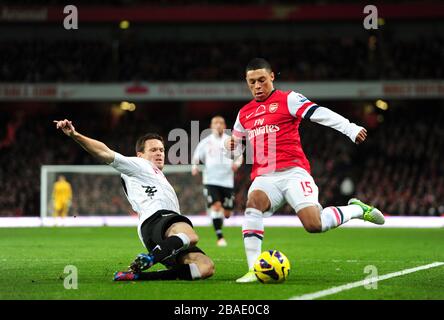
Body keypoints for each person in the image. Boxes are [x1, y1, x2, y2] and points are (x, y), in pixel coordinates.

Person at [224, 58, 385, 283]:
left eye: (262, 80)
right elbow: (236, 151)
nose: (257, 86)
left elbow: (320, 113)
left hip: (293, 173)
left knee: (314, 225)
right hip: (264, 176)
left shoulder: (288, 99)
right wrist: (231, 148)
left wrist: (350, 128)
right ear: (247, 82)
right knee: (253, 204)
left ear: (272, 77)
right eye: (252, 82)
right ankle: (254, 269)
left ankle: (357, 210)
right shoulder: (244, 114)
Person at [54, 119, 214, 281]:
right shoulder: (139, 165)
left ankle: (138, 275)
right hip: (157, 219)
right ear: (140, 155)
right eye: (153, 150)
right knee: (190, 235)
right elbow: (105, 153)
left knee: (205, 267)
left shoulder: (156, 175)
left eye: (161, 150)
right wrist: (75, 135)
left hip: (160, 236)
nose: (159, 153)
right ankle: (151, 258)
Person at [191, 115, 243, 247]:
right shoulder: (205, 142)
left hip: (227, 181)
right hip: (210, 180)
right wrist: (195, 167)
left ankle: (220, 219)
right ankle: (220, 236)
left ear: (225, 126)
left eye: (221, 123)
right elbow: (196, 156)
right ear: (211, 126)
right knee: (216, 206)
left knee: (227, 213)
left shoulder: (230, 141)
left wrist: (236, 164)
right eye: (215, 123)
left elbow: (239, 157)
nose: (218, 125)